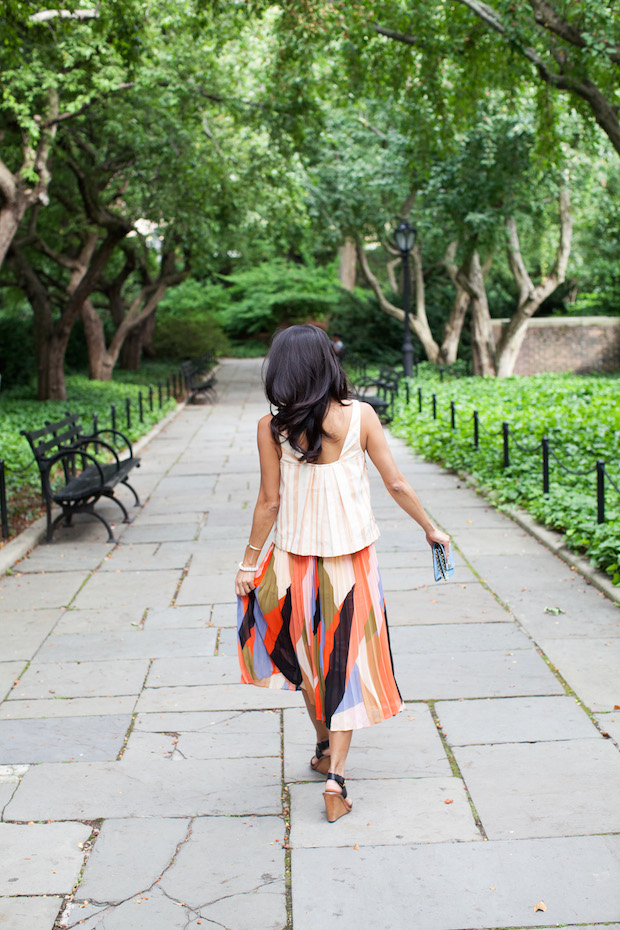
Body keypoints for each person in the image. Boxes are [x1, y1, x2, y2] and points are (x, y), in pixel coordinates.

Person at [235, 325, 450, 822]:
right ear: (328, 363)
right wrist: (431, 528)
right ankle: (336, 778)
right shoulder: (361, 417)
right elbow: (395, 483)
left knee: (311, 661)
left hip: (294, 564)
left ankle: (322, 746)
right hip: (352, 563)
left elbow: (269, 503)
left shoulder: (273, 428)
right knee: (346, 660)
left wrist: (249, 562)